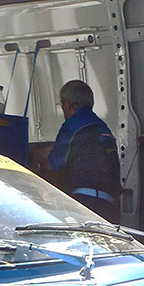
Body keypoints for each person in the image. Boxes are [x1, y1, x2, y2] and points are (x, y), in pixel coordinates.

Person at [45, 80, 121, 222]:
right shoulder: (102, 127)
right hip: (108, 206)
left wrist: (33, 158)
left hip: (84, 203)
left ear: (67, 104)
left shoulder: (73, 125)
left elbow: (53, 164)